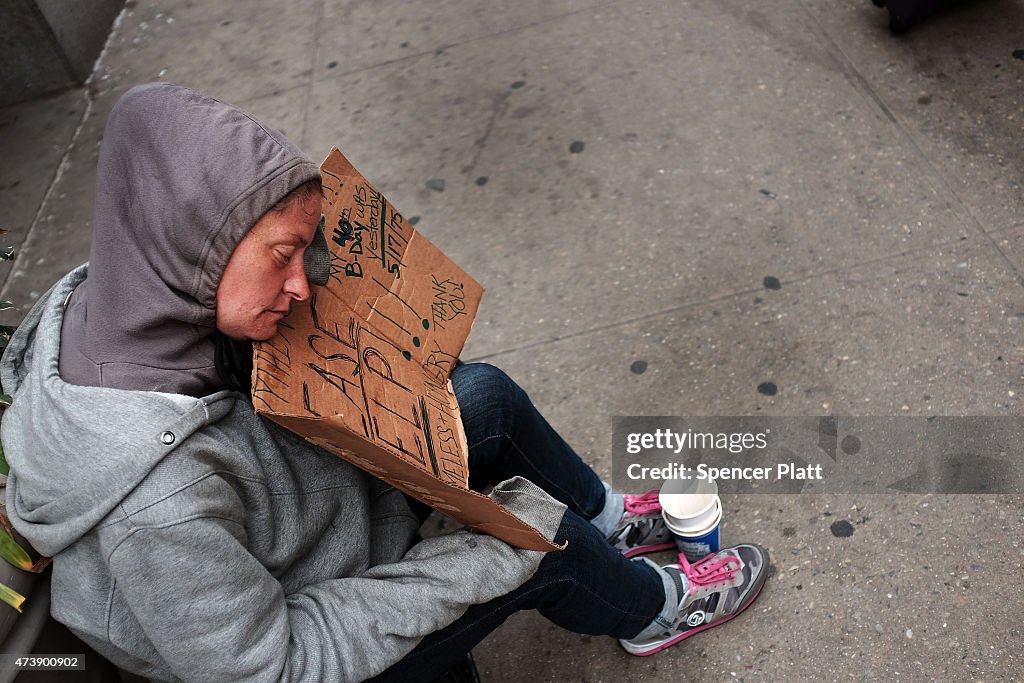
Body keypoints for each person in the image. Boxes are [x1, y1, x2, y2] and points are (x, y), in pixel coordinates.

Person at [0, 83, 769, 682]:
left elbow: (303, 286)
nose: (300, 284)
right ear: (198, 245)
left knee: (484, 396)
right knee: (539, 538)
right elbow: (273, 664)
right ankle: (656, 610)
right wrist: (477, 555)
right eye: (282, 255)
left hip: (305, 522)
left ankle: (608, 520)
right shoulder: (157, 508)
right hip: (302, 642)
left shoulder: (130, 290)